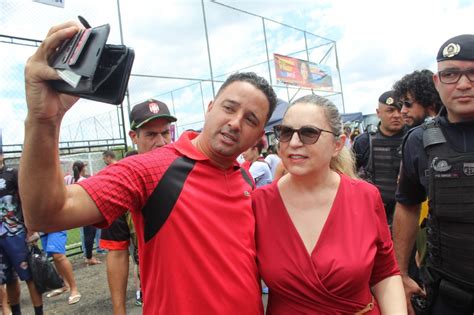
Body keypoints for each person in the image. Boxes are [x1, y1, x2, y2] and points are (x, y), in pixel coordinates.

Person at [20, 21, 277, 314]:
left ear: (258, 137)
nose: (235, 122)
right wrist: (44, 119)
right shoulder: (150, 169)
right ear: (210, 108)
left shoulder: (245, 178)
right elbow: (45, 214)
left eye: (250, 119)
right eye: (229, 108)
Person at [252, 94, 406, 313]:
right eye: (286, 132)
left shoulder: (365, 196)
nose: (294, 143)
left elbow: (385, 273)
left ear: (337, 144)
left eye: (309, 133)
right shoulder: (258, 204)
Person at [393, 34, 474, 314]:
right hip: (446, 293)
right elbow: (407, 204)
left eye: (473, 72)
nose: (463, 84)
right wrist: (401, 275)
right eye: (451, 74)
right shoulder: (418, 141)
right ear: (437, 83)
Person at [99, 99, 177, 314]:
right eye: (151, 135)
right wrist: (119, 310)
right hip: (158, 296)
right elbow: (116, 252)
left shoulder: (189, 172)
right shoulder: (123, 185)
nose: (161, 142)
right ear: (134, 137)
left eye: (165, 133)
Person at [352, 91, 406, 226]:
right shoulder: (364, 141)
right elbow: (348, 176)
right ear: (378, 112)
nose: (397, 115)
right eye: (390, 110)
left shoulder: (414, 138)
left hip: (407, 213)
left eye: (400, 110)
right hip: (372, 216)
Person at [0, 152, 43, 315]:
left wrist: (31, 228)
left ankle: (39, 312)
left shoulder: (13, 173)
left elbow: (27, 199)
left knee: (29, 276)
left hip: (16, 234)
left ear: (2, 155)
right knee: (8, 278)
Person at [64, 161, 101, 266]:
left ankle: (88, 255)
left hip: (71, 209)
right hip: (84, 209)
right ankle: (89, 257)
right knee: (90, 233)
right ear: (83, 169)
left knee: (85, 233)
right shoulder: (84, 180)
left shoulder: (68, 179)